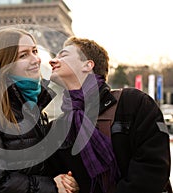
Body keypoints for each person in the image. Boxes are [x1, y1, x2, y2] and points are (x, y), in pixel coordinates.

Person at [47, 36, 172, 193]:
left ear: (88, 64)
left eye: (63, 55)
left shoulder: (133, 103)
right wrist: (60, 182)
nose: (52, 61)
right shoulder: (59, 127)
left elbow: (153, 169)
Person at [0, 27, 79, 193]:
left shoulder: (31, 107)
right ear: (4, 65)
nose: (36, 59)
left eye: (34, 51)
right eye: (23, 55)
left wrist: (65, 181)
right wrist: (52, 187)